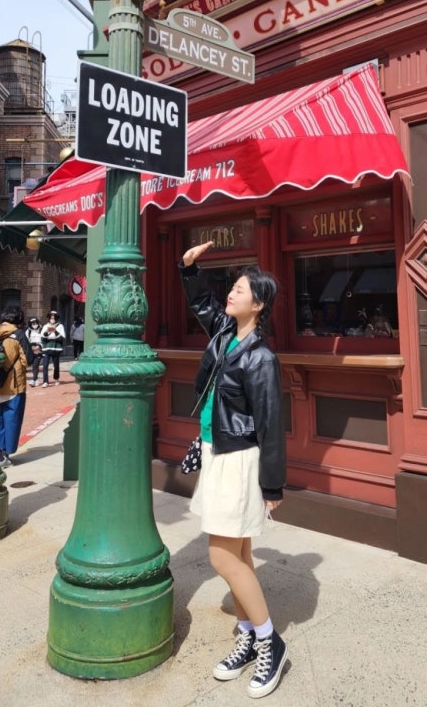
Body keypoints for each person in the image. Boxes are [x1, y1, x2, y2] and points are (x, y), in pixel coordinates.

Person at [180, 240, 288, 700]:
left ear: (258, 304)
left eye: (240, 290)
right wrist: (189, 268)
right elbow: (204, 303)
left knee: (221, 558)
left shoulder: (261, 358)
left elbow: (271, 423)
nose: (231, 293)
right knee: (239, 554)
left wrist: (272, 485)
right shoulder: (225, 333)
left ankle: (269, 642)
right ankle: (247, 635)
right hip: (215, 450)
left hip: (239, 457)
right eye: (234, 287)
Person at [0, 306, 28, 468]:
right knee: (12, 419)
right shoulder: (18, 334)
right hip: (13, 385)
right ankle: (6, 453)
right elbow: (28, 359)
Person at [40, 310, 65, 387]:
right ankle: (45, 381)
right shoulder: (45, 326)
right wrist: (47, 332)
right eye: (51, 318)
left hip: (56, 348)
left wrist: (55, 331)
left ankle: (56, 378)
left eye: (54, 318)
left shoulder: (60, 326)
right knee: (45, 365)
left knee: (56, 365)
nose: (52, 319)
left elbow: (62, 338)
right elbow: (42, 338)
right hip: (46, 349)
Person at [25, 316, 43, 386]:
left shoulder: (42, 330)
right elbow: (26, 341)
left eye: (35, 323)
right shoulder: (28, 331)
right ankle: (35, 379)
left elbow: (44, 340)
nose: (34, 325)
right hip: (31, 350)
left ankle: (34, 379)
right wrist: (30, 348)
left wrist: (40, 346)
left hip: (39, 350)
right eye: (33, 324)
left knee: (35, 365)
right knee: (31, 365)